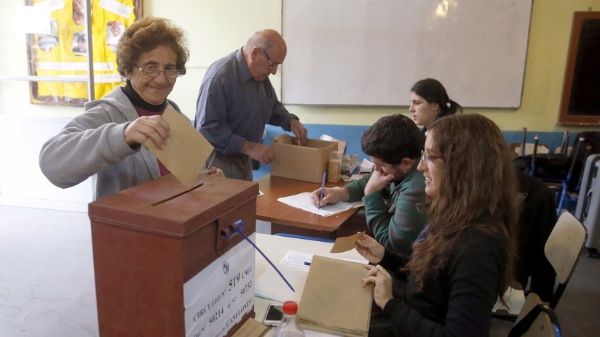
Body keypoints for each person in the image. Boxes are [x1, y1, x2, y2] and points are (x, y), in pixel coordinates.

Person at [358, 114, 518, 337]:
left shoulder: (477, 245)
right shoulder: (454, 215)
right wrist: (384, 256)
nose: (421, 166)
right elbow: (433, 277)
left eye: (431, 157)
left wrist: (389, 304)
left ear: (462, 167)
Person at [40, 17, 220, 200]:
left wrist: (204, 179)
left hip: (172, 223)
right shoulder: (107, 112)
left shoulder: (172, 112)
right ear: (128, 69)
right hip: (129, 227)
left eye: (169, 68)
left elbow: (185, 176)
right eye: (150, 68)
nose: (161, 78)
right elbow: (51, 164)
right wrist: (123, 135)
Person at [194, 29, 308, 181]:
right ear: (255, 53)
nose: (273, 72)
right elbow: (207, 127)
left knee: (246, 202)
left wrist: (290, 121)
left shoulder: (261, 76)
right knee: (227, 205)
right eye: (272, 64)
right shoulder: (220, 77)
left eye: (277, 66)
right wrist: (249, 147)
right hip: (217, 162)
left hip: (244, 159)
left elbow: (271, 106)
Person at [311, 114, 426, 256]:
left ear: (406, 163)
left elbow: (392, 244)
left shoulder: (417, 189)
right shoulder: (400, 168)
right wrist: (340, 193)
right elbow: (373, 179)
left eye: (380, 165)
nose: (375, 170)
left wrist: (371, 195)